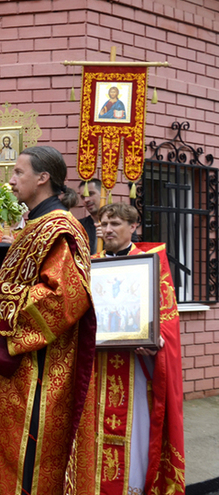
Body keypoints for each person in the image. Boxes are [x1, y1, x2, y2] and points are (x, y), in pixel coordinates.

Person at [0, 145, 97, 495]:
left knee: (22, 465)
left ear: (43, 178)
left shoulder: (60, 228)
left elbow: (65, 298)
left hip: (37, 374)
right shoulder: (32, 226)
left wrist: (2, 297)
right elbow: (21, 282)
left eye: (19, 172)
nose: (12, 179)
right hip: (11, 369)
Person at [92, 203, 185, 495]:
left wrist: (156, 342)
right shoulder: (90, 263)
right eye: (104, 224)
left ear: (134, 227)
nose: (108, 229)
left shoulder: (150, 262)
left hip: (137, 369)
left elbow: (168, 319)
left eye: (115, 223)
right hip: (97, 368)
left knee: (136, 434)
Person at [78, 178, 103, 254]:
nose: (86, 200)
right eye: (83, 197)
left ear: (104, 193)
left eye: (91, 194)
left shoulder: (122, 221)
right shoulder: (79, 226)